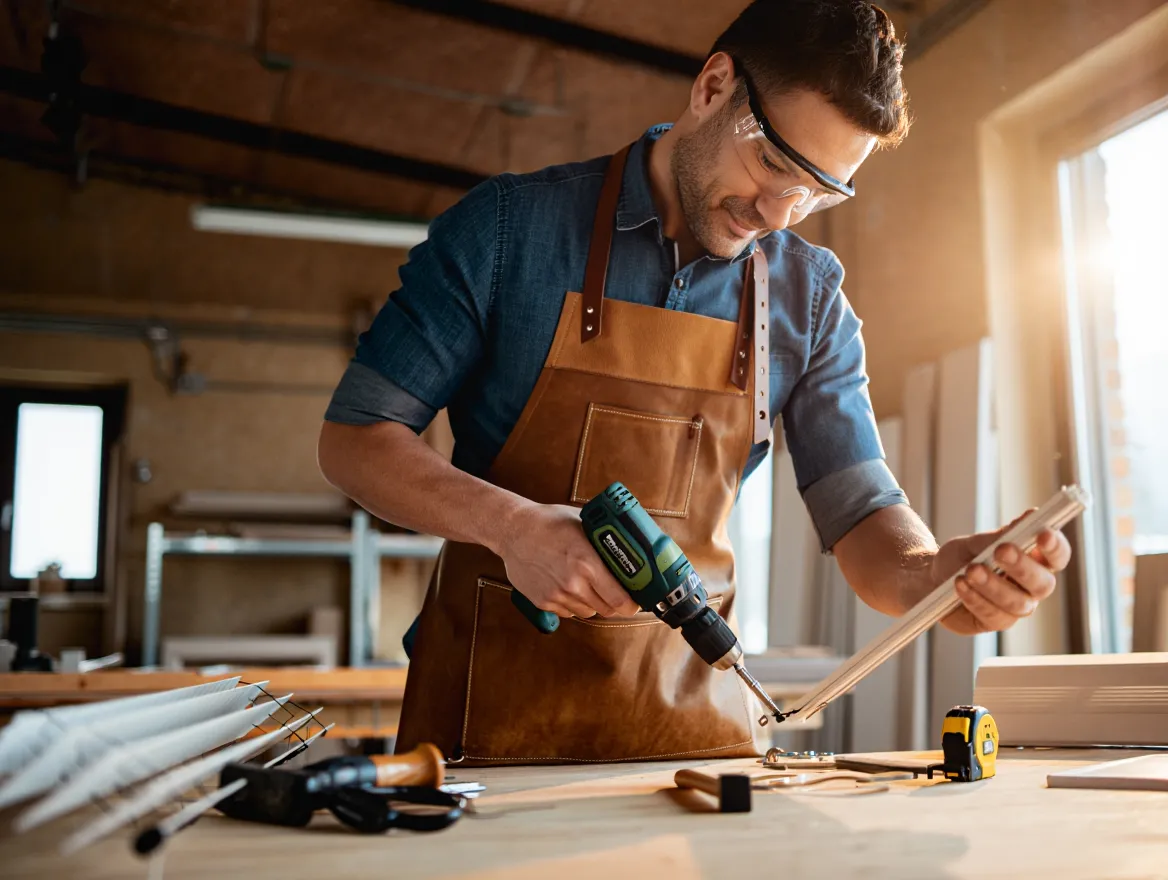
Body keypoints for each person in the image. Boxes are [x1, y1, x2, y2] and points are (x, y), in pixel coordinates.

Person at [317, 0, 1071, 764]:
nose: (780, 213)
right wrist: (512, 527)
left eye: (818, 191)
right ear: (712, 88)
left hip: (690, 735)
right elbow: (355, 440)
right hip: (479, 724)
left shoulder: (808, 300)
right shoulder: (510, 230)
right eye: (775, 163)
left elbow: (863, 512)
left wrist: (936, 577)